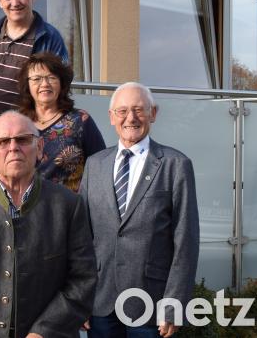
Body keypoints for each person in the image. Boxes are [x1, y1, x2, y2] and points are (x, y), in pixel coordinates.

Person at [0, 111, 97, 337]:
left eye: (23, 140)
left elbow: (82, 279)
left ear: (40, 148)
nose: (13, 148)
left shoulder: (68, 205)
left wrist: (45, 331)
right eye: (2, 142)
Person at [79, 82, 199, 338]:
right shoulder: (94, 165)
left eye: (138, 110)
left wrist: (174, 305)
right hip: (101, 302)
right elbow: (82, 238)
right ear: (112, 117)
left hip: (151, 305)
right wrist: (80, 298)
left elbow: (186, 241)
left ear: (153, 113)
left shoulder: (175, 165)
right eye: (122, 111)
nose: (130, 118)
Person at [17, 52, 105, 192]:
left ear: (61, 83)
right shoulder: (16, 124)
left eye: (51, 77)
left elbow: (102, 167)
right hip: (25, 208)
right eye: (37, 79)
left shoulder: (80, 120)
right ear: (27, 85)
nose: (44, 84)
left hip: (70, 208)